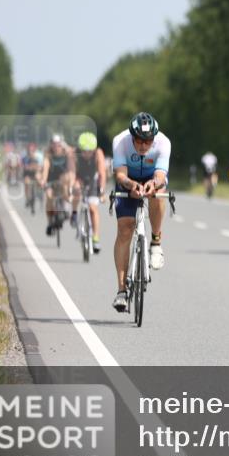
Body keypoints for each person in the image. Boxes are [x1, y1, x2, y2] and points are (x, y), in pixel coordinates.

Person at [110, 112, 171, 312]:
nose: (144, 146)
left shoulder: (163, 142)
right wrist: (131, 185)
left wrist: (153, 184)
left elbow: (161, 175)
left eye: (148, 141)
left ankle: (155, 241)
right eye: (139, 141)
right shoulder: (120, 142)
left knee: (159, 193)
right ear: (132, 137)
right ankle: (121, 291)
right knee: (125, 229)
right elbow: (120, 174)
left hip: (152, 180)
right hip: (128, 181)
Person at [71, 132, 107, 253]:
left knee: (93, 208)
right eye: (84, 151)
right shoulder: (74, 154)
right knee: (76, 191)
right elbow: (71, 172)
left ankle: (96, 238)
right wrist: (73, 185)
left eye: (89, 151)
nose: (87, 154)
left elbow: (102, 173)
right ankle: (74, 213)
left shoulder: (98, 153)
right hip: (79, 177)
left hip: (93, 179)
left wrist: (101, 192)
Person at [39, 134, 76, 236]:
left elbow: (71, 169)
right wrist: (43, 180)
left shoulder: (67, 153)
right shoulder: (48, 154)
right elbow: (46, 168)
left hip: (63, 179)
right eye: (54, 145)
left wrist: (71, 183)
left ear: (62, 145)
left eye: (58, 145)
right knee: (49, 197)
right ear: (51, 145)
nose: (56, 147)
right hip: (51, 180)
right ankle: (50, 222)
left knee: (65, 184)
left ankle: (66, 207)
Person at [22, 141, 44, 206]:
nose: (30, 151)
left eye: (32, 149)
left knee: (38, 178)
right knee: (26, 182)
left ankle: (40, 192)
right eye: (29, 149)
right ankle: (27, 198)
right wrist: (27, 167)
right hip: (28, 173)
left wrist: (37, 168)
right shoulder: (25, 156)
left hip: (37, 172)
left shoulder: (39, 156)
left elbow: (41, 166)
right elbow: (23, 166)